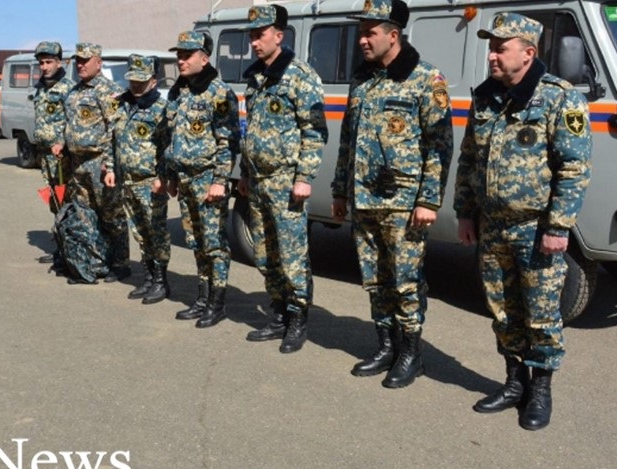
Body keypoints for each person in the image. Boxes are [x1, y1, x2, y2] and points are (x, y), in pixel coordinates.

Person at [454, 12, 591, 430]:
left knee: (541, 313)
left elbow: (574, 168)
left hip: (535, 230)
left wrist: (558, 226)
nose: (492, 56)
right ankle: (514, 383)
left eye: (501, 48)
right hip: (493, 227)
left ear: (528, 53)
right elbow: (469, 159)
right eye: (491, 48)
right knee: (502, 310)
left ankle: (541, 391)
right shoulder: (485, 97)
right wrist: (465, 212)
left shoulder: (559, 98)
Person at [330, 0, 453, 389]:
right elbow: (347, 140)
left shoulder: (426, 79)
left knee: (405, 281)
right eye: (361, 32)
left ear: (393, 35)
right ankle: (386, 346)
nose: (362, 40)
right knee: (374, 278)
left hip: (403, 203)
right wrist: (340, 191)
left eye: (370, 32)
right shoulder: (362, 79)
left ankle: (411, 354)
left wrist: (428, 200)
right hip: (364, 199)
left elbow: (439, 146)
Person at [238, 4, 328, 353]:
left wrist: (304, 177)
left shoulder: (300, 75)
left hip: (286, 182)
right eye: (251, 36)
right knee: (265, 254)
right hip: (259, 182)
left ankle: (297, 319)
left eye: (260, 35)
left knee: (292, 255)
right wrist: (245, 174)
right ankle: (277, 314)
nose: (254, 42)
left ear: (279, 35)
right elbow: (251, 132)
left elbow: (314, 131)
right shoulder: (255, 78)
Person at [165, 31, 240, 328]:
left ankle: (217, 303)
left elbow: (228, 141)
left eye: (187, 55)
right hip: (185, 180)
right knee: (196, 241)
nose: (181, 61)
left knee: (214, 244)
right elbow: (172, 136)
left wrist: (220, 180)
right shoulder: (179, 92)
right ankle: (203, 297)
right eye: (179, 56)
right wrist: (171, 175)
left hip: (208, 180)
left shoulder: (219, 93)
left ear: (204, 59)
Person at [61, 42, 130, 283]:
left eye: (85, 60)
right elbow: (69, 125)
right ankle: (95, 261)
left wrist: (110, 165)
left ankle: (121, 263)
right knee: (85, 215)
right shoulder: (73, 92)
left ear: (98, 63)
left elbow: (115, 130)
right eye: (78, 60)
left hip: (99, 161)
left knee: (111, 214)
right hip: (77, 163)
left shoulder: (109, 91)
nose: (80, 65)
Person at [112, 54, 172, 304]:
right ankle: (148, 277)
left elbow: (167, 148)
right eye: (132, 81)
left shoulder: (161, 110)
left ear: (153, 81)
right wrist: (110, 169)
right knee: (140, 232)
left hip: (149, 182)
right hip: (127, 181)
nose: (135, 86)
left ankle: (161, 281)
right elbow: (113, 140)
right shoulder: (122, 105)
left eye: (141, 81)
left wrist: (163, 178)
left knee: (156, 233)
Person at [32, 40, 72, 265]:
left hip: (62, 157)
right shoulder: (40, 88)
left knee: (67, 201)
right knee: (54, 202)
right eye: (41, 63)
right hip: (45, 155)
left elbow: (74, 122)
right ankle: (61, 248)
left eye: (49, 62)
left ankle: (71, 250)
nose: (44, 67)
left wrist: (62, 143)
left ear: (59, 62)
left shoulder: (68, 88)